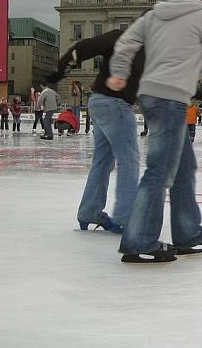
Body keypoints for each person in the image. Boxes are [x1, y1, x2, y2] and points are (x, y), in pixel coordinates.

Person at [105, 0, 202, 264]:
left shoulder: (155, 15)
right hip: (172, 97)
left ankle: (188, 233)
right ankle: (139, 240)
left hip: (150, 94)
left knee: (184, 167)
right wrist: (201, 71)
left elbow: (125, 43)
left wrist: (121, 72)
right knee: (160, 171)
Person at [56, 27, 145, 232]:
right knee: (128, 159)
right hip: (115, 104)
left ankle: (90, 211)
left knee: (103, 160)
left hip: (98, 101)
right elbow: (88, 46)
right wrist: (64, 66)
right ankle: (128, 217)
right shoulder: (131, 39)